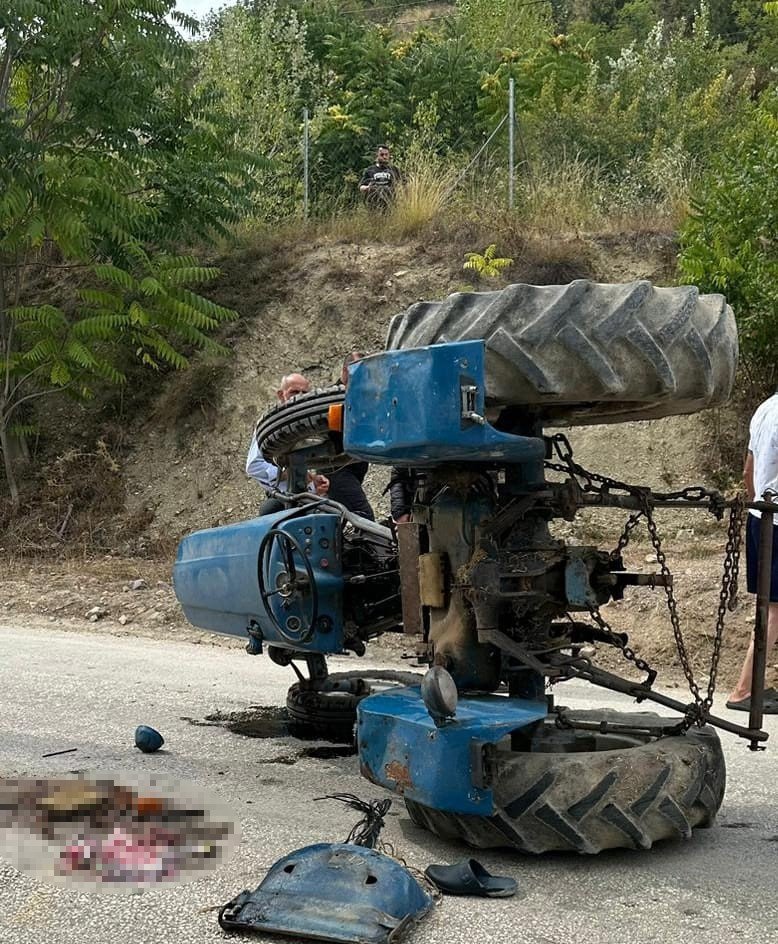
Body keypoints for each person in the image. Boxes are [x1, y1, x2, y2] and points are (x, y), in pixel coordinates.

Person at [726, 391, 778, 713]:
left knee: (769, 607)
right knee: (774, 612)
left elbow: (749, 472)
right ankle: (743, 690)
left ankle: (747, 687)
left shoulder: (765, 408)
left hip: (761, 516)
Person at [359, 145, 402, 211]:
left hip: (391, 205)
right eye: (382, 155)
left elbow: (404, 184)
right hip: (374, 206)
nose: (384, 157)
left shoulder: (394, 169)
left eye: (386, 154)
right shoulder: (370, 170)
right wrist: (368, 188)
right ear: (377, 156)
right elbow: (361, 187)